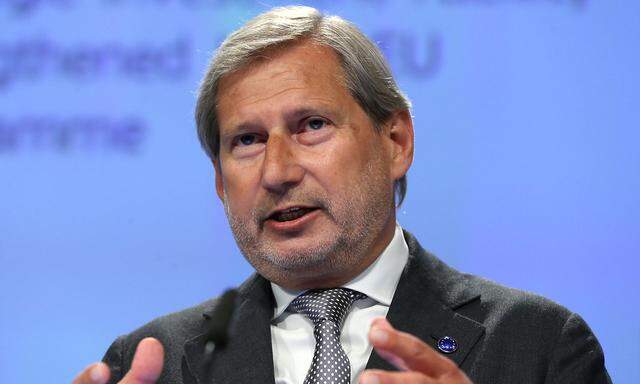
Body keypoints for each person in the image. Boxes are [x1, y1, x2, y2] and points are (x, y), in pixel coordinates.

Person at [73, 6, 611, 384]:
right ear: (219, 181)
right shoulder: (151, 363)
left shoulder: (539, 346)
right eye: (247, 140)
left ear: (396, 141)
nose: (277, 171)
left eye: (311, 125)